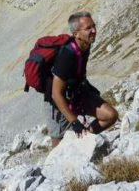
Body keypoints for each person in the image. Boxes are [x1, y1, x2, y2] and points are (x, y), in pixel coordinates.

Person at [46, 11, 118, 147]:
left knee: (110, 115)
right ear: (76, 34)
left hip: (77, 92)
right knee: (58, 144)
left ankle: (83, 142)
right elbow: (56, 94)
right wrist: (74, 121)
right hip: (56, 101)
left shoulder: (86, 45)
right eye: (88, 28)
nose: (94, 31)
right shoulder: (66, 55)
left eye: (94, 26)